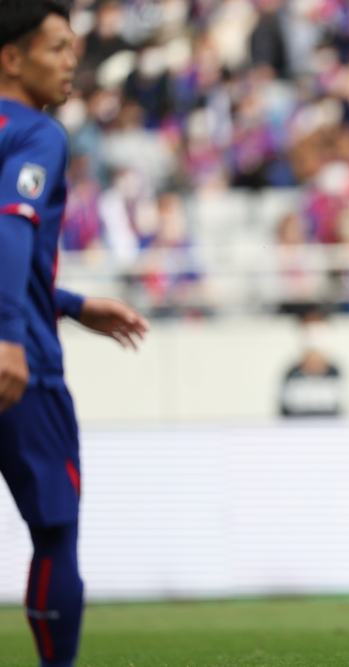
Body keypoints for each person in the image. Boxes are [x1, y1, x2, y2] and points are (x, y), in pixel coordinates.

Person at [0, 3, 149, 666]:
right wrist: (10, 334)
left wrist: (68, 301)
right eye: (57, 47)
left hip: (26, 323)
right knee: (55, 529)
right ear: (12, 57)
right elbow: (11, 227)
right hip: (21, 362)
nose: (71, 61)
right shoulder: (38, 132)